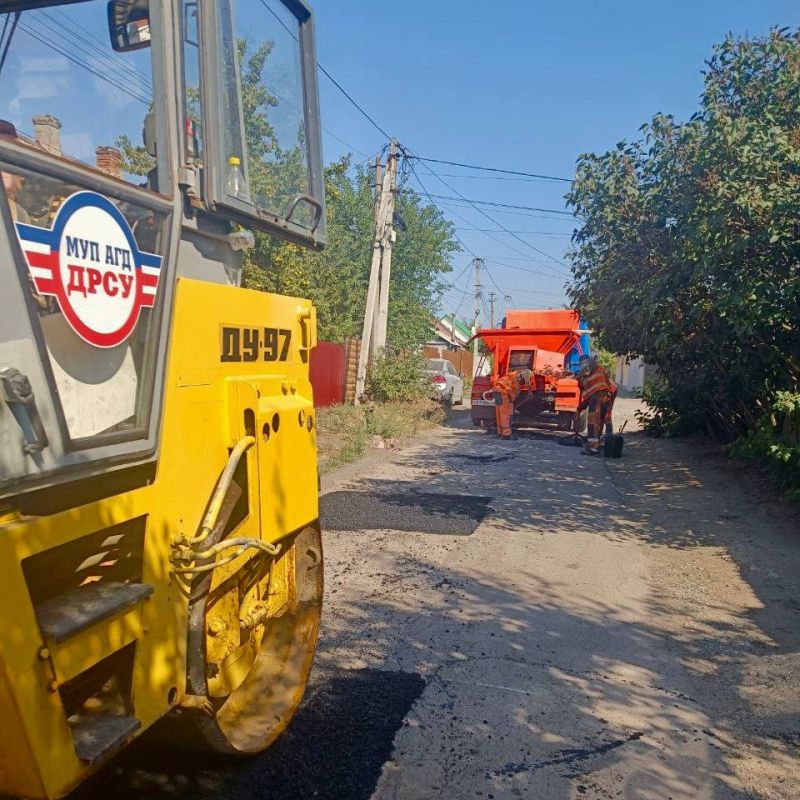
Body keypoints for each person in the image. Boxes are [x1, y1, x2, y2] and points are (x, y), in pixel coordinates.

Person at [578, 355, 613, 455]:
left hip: (596, 399)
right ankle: (602, 444)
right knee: (601, 421)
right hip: (606, 397)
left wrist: (579, 377)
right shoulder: (600, 369)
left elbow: (585, 388)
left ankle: (593, 448)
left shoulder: (586, 376)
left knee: (593, 423)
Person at [491, 368, 532, 440]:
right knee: (507, 413)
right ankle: (506, 434)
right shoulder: (516, 381)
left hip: (496, 390)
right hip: (503, 391)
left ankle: (499, 432)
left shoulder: (512, 375)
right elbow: (512, 393)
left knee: (500, 412)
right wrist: (529, 392)